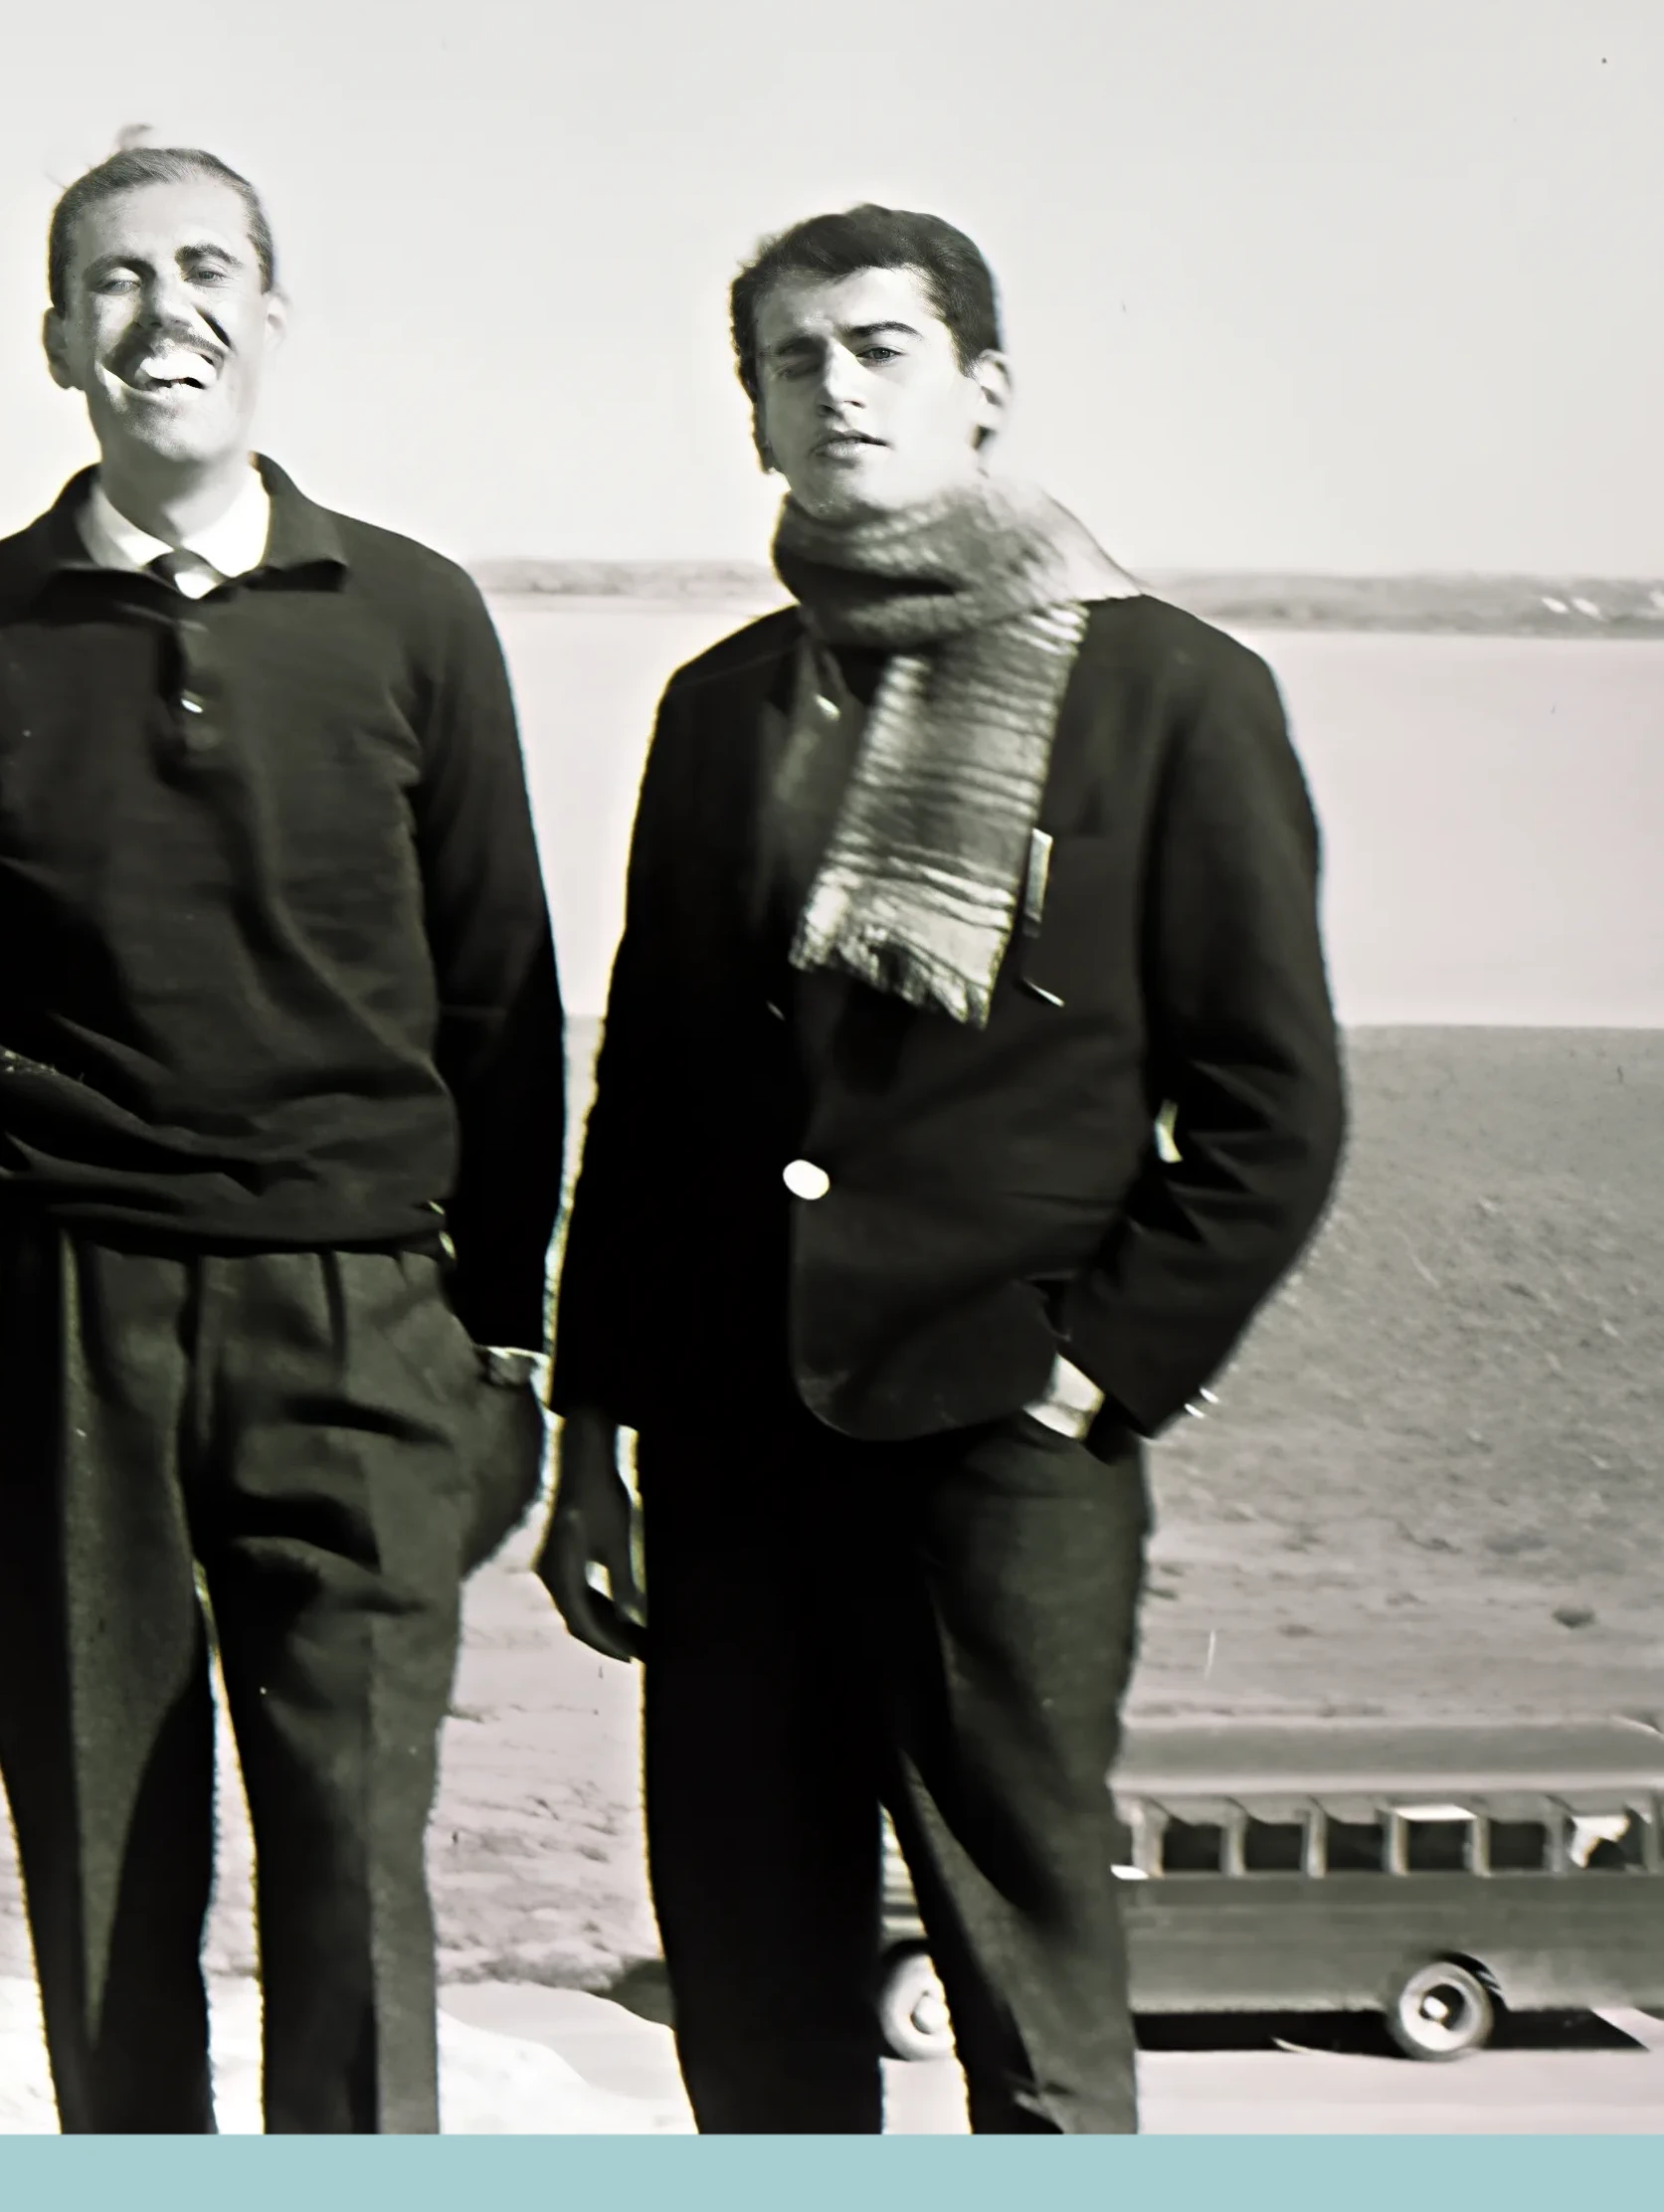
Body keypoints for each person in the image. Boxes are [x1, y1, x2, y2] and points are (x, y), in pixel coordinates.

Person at [536, 204, 1346, 2134]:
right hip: (731, 1447)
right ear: (754, 415)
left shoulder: (1170, 693)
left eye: (879, 350)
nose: (836, 391)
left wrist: (1086, 1371)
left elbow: (1272, 1108)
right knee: (752, 1991)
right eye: (793, 362)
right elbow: (648, 1098)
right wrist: (592, 1440)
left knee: (1025, 1996)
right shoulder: (720, 706)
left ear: (983, 390)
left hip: (1000, 1447)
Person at [0, 144, 562, 2133]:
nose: (160, 312)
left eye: (204, 270)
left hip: (360, 1324)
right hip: (56, 1320)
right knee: (104, 1862)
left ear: (270, 319)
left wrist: (502, 1342)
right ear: (55, 341)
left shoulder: (413, 616)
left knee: (352, 1862)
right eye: (112, 280)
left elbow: (501, 995)